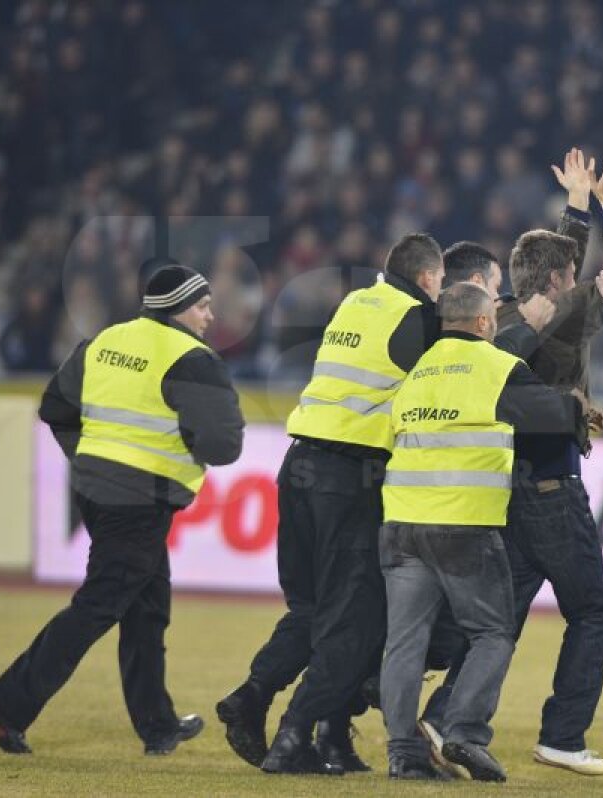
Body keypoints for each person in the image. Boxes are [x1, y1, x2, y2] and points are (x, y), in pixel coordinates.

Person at [216, 234, 553, 775]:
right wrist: (525, 322)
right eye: (439, 285)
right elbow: (468, 356)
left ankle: (260, 701)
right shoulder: (417, 319)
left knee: (314, 610)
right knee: (356, 619)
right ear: (427, 280)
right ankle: (294, 734)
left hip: (299, 463)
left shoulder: (359, 302)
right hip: (349, 474)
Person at [418, 148, 603, 778]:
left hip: (503, 490)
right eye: (570, 275)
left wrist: (575, 209)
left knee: (502, 619)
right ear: (557, 283)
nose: (576, 283)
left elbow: (557, 269)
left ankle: (443, 717)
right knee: (592, 611)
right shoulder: (564, 311)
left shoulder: (504, 317)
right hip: (551, 488)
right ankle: (563, 735)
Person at [0, 261, 244, 755]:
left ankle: (158, 726)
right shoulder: (193, 359)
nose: (211, 316)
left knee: (146, 609)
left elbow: (55, 408)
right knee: (99, 606)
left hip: (96, 494)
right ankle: (9, 704)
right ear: (181, 308)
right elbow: (224, 447)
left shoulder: (105, 340)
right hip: (141, 500)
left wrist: (88, 458)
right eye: (204, 306)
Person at [378, 282, 580, 782]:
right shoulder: (496, 368)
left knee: (404, 643)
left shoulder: (417, 370)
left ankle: (404, 752)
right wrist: (577, 408)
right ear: (486, 322)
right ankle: (463, 733)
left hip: (402, 523)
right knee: (492, 632)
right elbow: (554, 419)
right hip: (464, 523)